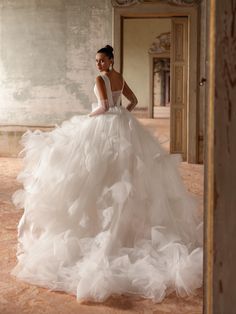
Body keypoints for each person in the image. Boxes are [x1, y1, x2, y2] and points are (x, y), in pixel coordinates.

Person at [11, 45, 203, 303]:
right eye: (97, 61)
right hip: (124, 124)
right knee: (125, 172)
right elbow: (132, 101)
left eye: (102, 60)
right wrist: (122, 114)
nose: (99, 64)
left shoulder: (100, 79)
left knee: (97, 173)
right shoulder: (119, 76)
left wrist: (89, 117)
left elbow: (102, 106)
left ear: (111, 60)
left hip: (103, 125)